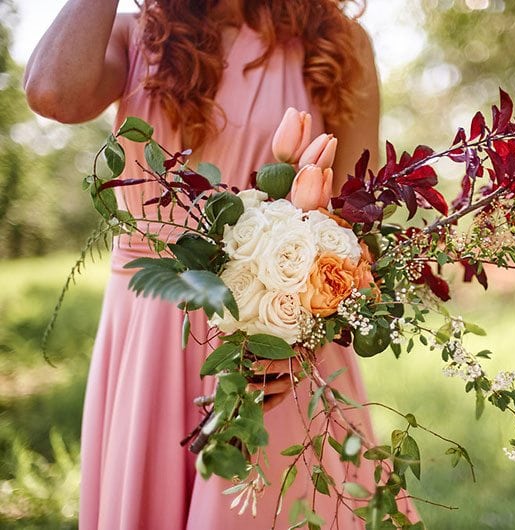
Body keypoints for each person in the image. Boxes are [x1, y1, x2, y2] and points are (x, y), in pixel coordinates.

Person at [24, 1, 414, 528]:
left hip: (278, 339)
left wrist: (299, 338)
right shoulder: (137, 35)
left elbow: (356, 219)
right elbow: (52, 92)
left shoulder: (338, 42)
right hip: (153, 330)